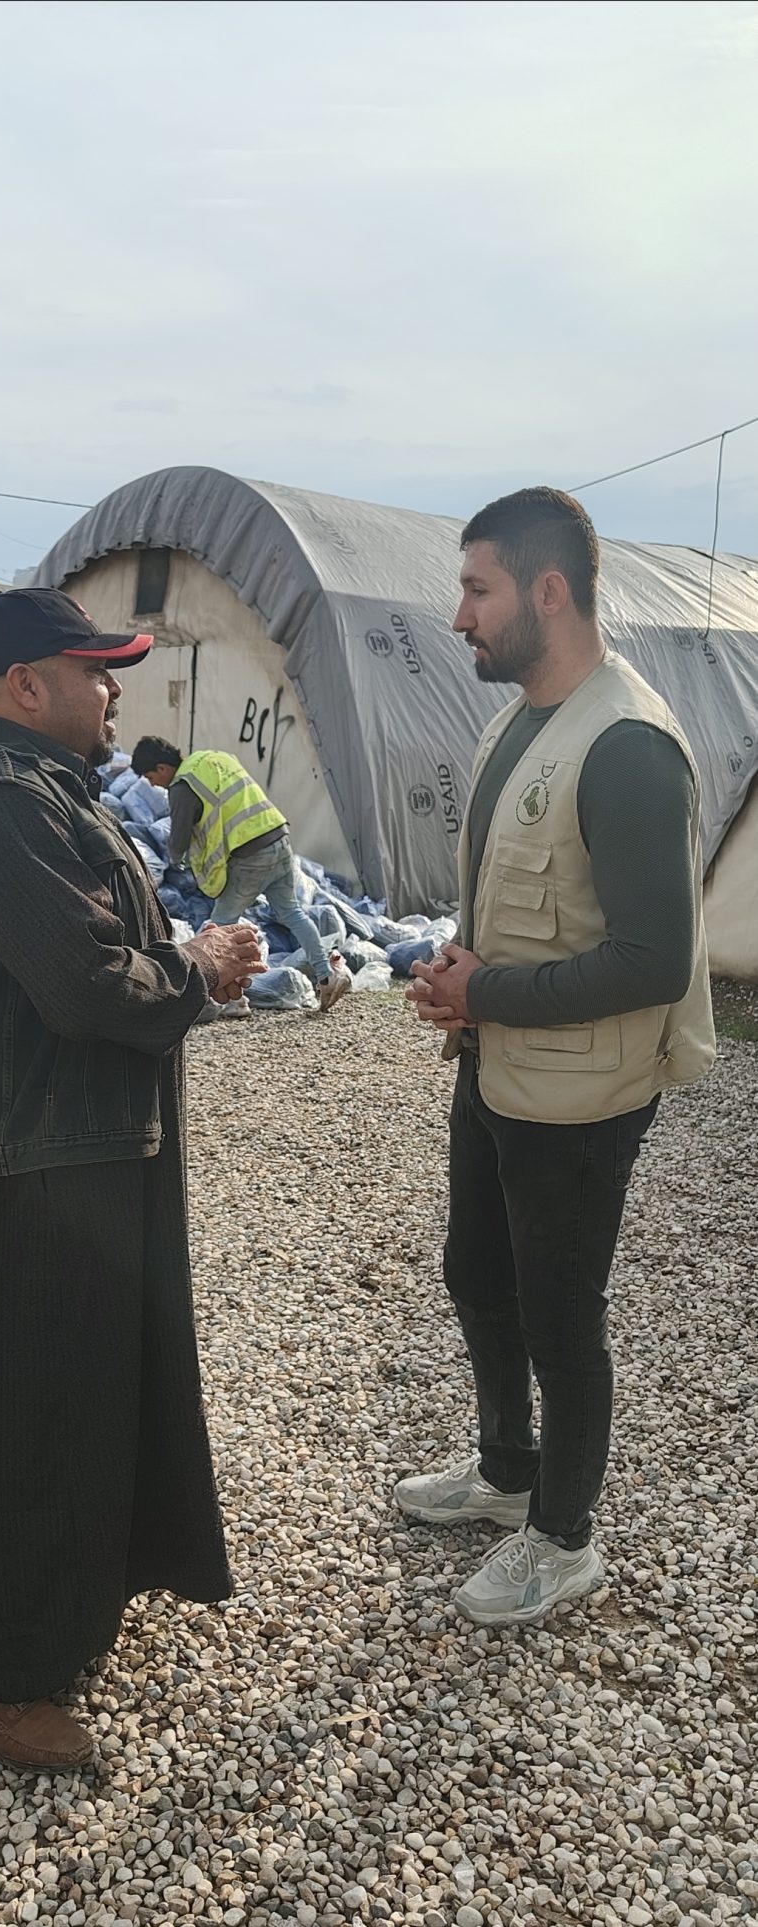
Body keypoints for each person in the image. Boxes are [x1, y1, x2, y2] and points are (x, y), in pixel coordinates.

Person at [0, 587, 264, 1770]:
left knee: (77, 1396)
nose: (114, 690)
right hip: (26, 1166)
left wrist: (185, 960)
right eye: (96, 668)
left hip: (62, 1147)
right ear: (26, 685)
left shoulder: (35, 781)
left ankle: (58, 1608)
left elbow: (92, 950)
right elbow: (85, 982)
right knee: (24, 1413)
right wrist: (196, 963)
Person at [396, 487, 715, 1626]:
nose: (458, 616)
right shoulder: (521, 722)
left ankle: (564, 1536)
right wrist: (462, 973)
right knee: (476, 1275)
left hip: (580, 1096)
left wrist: (484, 991)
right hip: (496, 1068)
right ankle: (505, 1470)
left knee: (560, 1319)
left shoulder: (627, 746)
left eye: (475, 589)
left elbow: (655, 959)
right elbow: (521, 898)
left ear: (547, 592)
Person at [132, 737, 351, 1011]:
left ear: (162, 768)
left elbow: (178, 839)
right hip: (278, 838)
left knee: (220, 927)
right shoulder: (213, 758)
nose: (153, 785)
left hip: (250, 854)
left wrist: (174, 862)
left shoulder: (182, 786)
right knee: (292, 912)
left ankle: (232, 1000)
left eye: (151, 778)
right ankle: (327, 976)